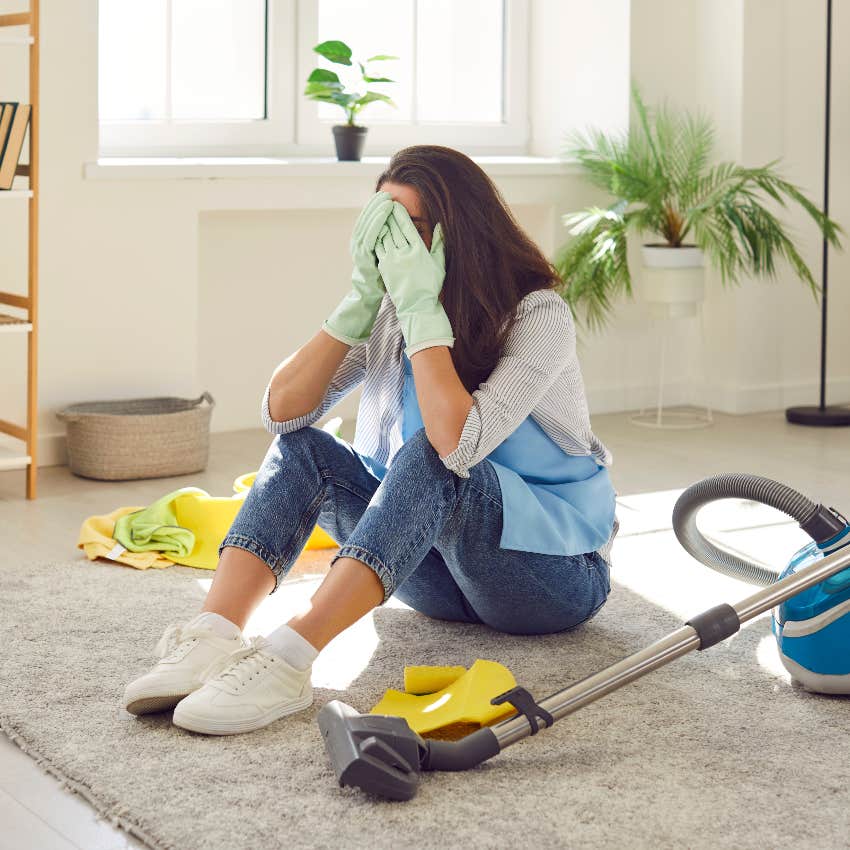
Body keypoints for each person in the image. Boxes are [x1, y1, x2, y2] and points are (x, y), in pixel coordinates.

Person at [121, 144, 618, 736]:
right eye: (381, 226)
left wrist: (421, 309)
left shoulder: (539, 315)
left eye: (409, 229)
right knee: (303, 448)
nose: (393, 247)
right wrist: (358, 302)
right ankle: (212, 638)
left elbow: (457, 443)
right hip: (435, 577)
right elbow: (282, 412)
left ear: (460, 232)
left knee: (434, 453)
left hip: (550, 580)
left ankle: (288, 660)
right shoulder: (386, 309)